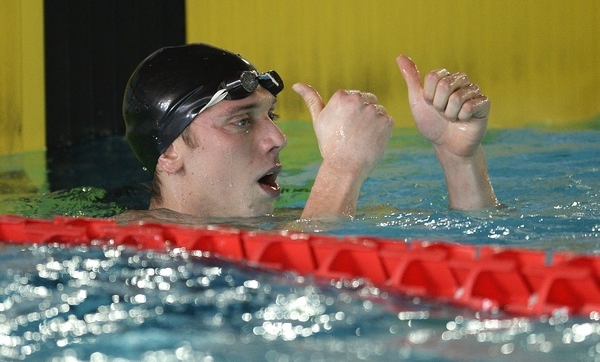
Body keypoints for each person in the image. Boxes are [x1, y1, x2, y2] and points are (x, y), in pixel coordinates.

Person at [116, 43, 496, 225]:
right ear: (168, 153)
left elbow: (473, 244)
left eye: (271, 116)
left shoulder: (286, 226)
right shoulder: (132, 245)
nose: (278, 138)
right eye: (242, 121)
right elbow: (302, 285)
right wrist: (342, 168)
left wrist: (459, 158)